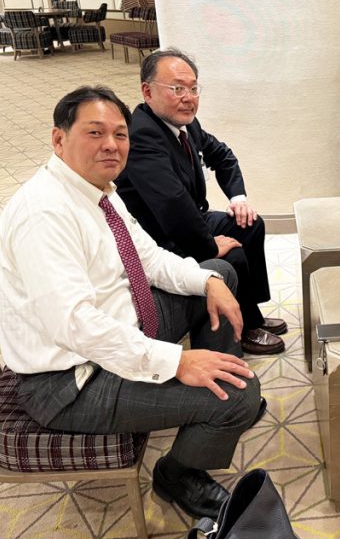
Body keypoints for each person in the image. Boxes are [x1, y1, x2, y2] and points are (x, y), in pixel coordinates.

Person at [0, 85, 263, 519]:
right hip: (71, 381)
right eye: (95, 133)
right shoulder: (44, 213)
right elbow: (75, 325)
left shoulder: (98, 190)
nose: (111, 145)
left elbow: (149, 259)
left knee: (219, 274)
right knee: (239, 396)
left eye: (120, 134)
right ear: (59, 139)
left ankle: (208, 396)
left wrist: (206, 280)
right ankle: (179, 473)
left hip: (124, 325)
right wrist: (176, 361)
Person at [115, 48, 285, 356]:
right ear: (147, 91)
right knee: (231, 256)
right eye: (177, 88)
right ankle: (244, 329)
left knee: (249, 224)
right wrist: (209, 246)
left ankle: (251, 314)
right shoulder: (141, 135)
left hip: (188, 219)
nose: (188, 98)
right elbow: (172, 204)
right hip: (160, 237)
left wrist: (238, 198)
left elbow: (223, 155)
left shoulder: (186, 124)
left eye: (193, 89)